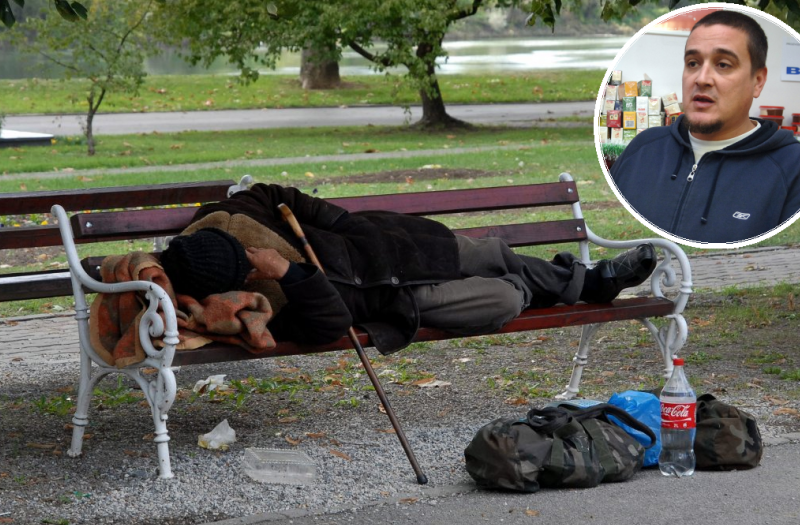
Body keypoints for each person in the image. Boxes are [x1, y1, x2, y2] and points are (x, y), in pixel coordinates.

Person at [160, 183, 656, 354]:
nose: (252, 266)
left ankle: (593, 282)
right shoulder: (253, 308)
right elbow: (330, 324)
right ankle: (548, 287)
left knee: (491, 253)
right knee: (503, 296)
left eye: (246, 254)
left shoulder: (232, 216)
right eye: (245, 272)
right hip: (392, 300)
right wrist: (289, 274)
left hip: (385, 250)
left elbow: (279, 196)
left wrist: (345, 225)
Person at [610, 10, 800, 244]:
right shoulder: (643, 149)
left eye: (723, 64)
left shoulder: (792, 169)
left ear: (757, 81)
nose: (702, 78)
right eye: (693, 63)